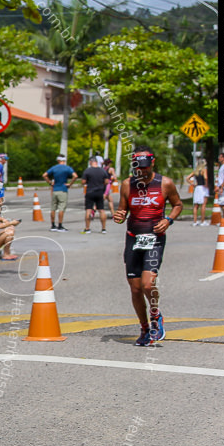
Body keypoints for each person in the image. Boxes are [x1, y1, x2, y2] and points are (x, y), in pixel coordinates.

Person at [113, 145, 182, 347]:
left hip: (155, 238)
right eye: (137, 167)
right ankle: (144, 328)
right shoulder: (127, 185)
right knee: (135, 289)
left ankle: (155, 315)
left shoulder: (165, 184)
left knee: (147, 284)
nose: (141, 171)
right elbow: (122, 211)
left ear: (152, 163)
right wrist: (119, 216)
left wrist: (168, 220)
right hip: (133, 238)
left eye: (144, 167)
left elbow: (178, 204)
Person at [43, 154, 75, 231]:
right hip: (63, 190)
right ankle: (60, 225)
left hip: (55, 190)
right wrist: (70, 184)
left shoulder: (54, 168)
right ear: (64, 160)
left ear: (58, 160)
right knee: (61, 208)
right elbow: (75, 176)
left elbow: (44, 175)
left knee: (53, 208)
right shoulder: (67, 168)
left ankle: (53, 225)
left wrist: (50, 183)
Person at [79, 156, 109, 234]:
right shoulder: (102, 171)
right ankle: (103, 228)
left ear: (90, 162)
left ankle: (87, 228)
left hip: (90, 192)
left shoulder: (87, 171)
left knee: (88, 209)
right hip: (99, 192)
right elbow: (106, 181)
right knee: (101, 210)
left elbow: (83, 182)